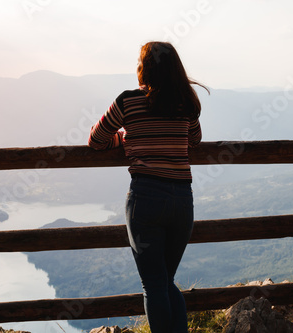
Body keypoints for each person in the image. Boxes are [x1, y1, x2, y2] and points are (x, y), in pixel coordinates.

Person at [88, 41, 208, 332]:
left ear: (144, 68)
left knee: (154, 285)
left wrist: (126, 139)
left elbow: (96, 140)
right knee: (165, 281)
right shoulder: (186, 104)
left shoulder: (127, 101)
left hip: (146, 198)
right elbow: (195, 140)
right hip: (182, 200)